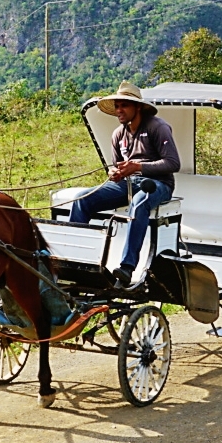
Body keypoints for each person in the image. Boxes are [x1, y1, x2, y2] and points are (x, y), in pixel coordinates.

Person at [69, 81, 180, 288]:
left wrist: (137, 167)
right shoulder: (118, 134)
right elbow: (116, 167)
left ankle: (127, 267)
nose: (119, 110)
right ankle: (76, 260)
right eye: (117, 106)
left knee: (138, 204)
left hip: (158, 184)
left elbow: (173, 163)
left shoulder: (158, 127)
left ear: (137, 107)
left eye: (124, 106)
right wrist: (114, 172)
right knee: (81, 200)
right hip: (128, 184)